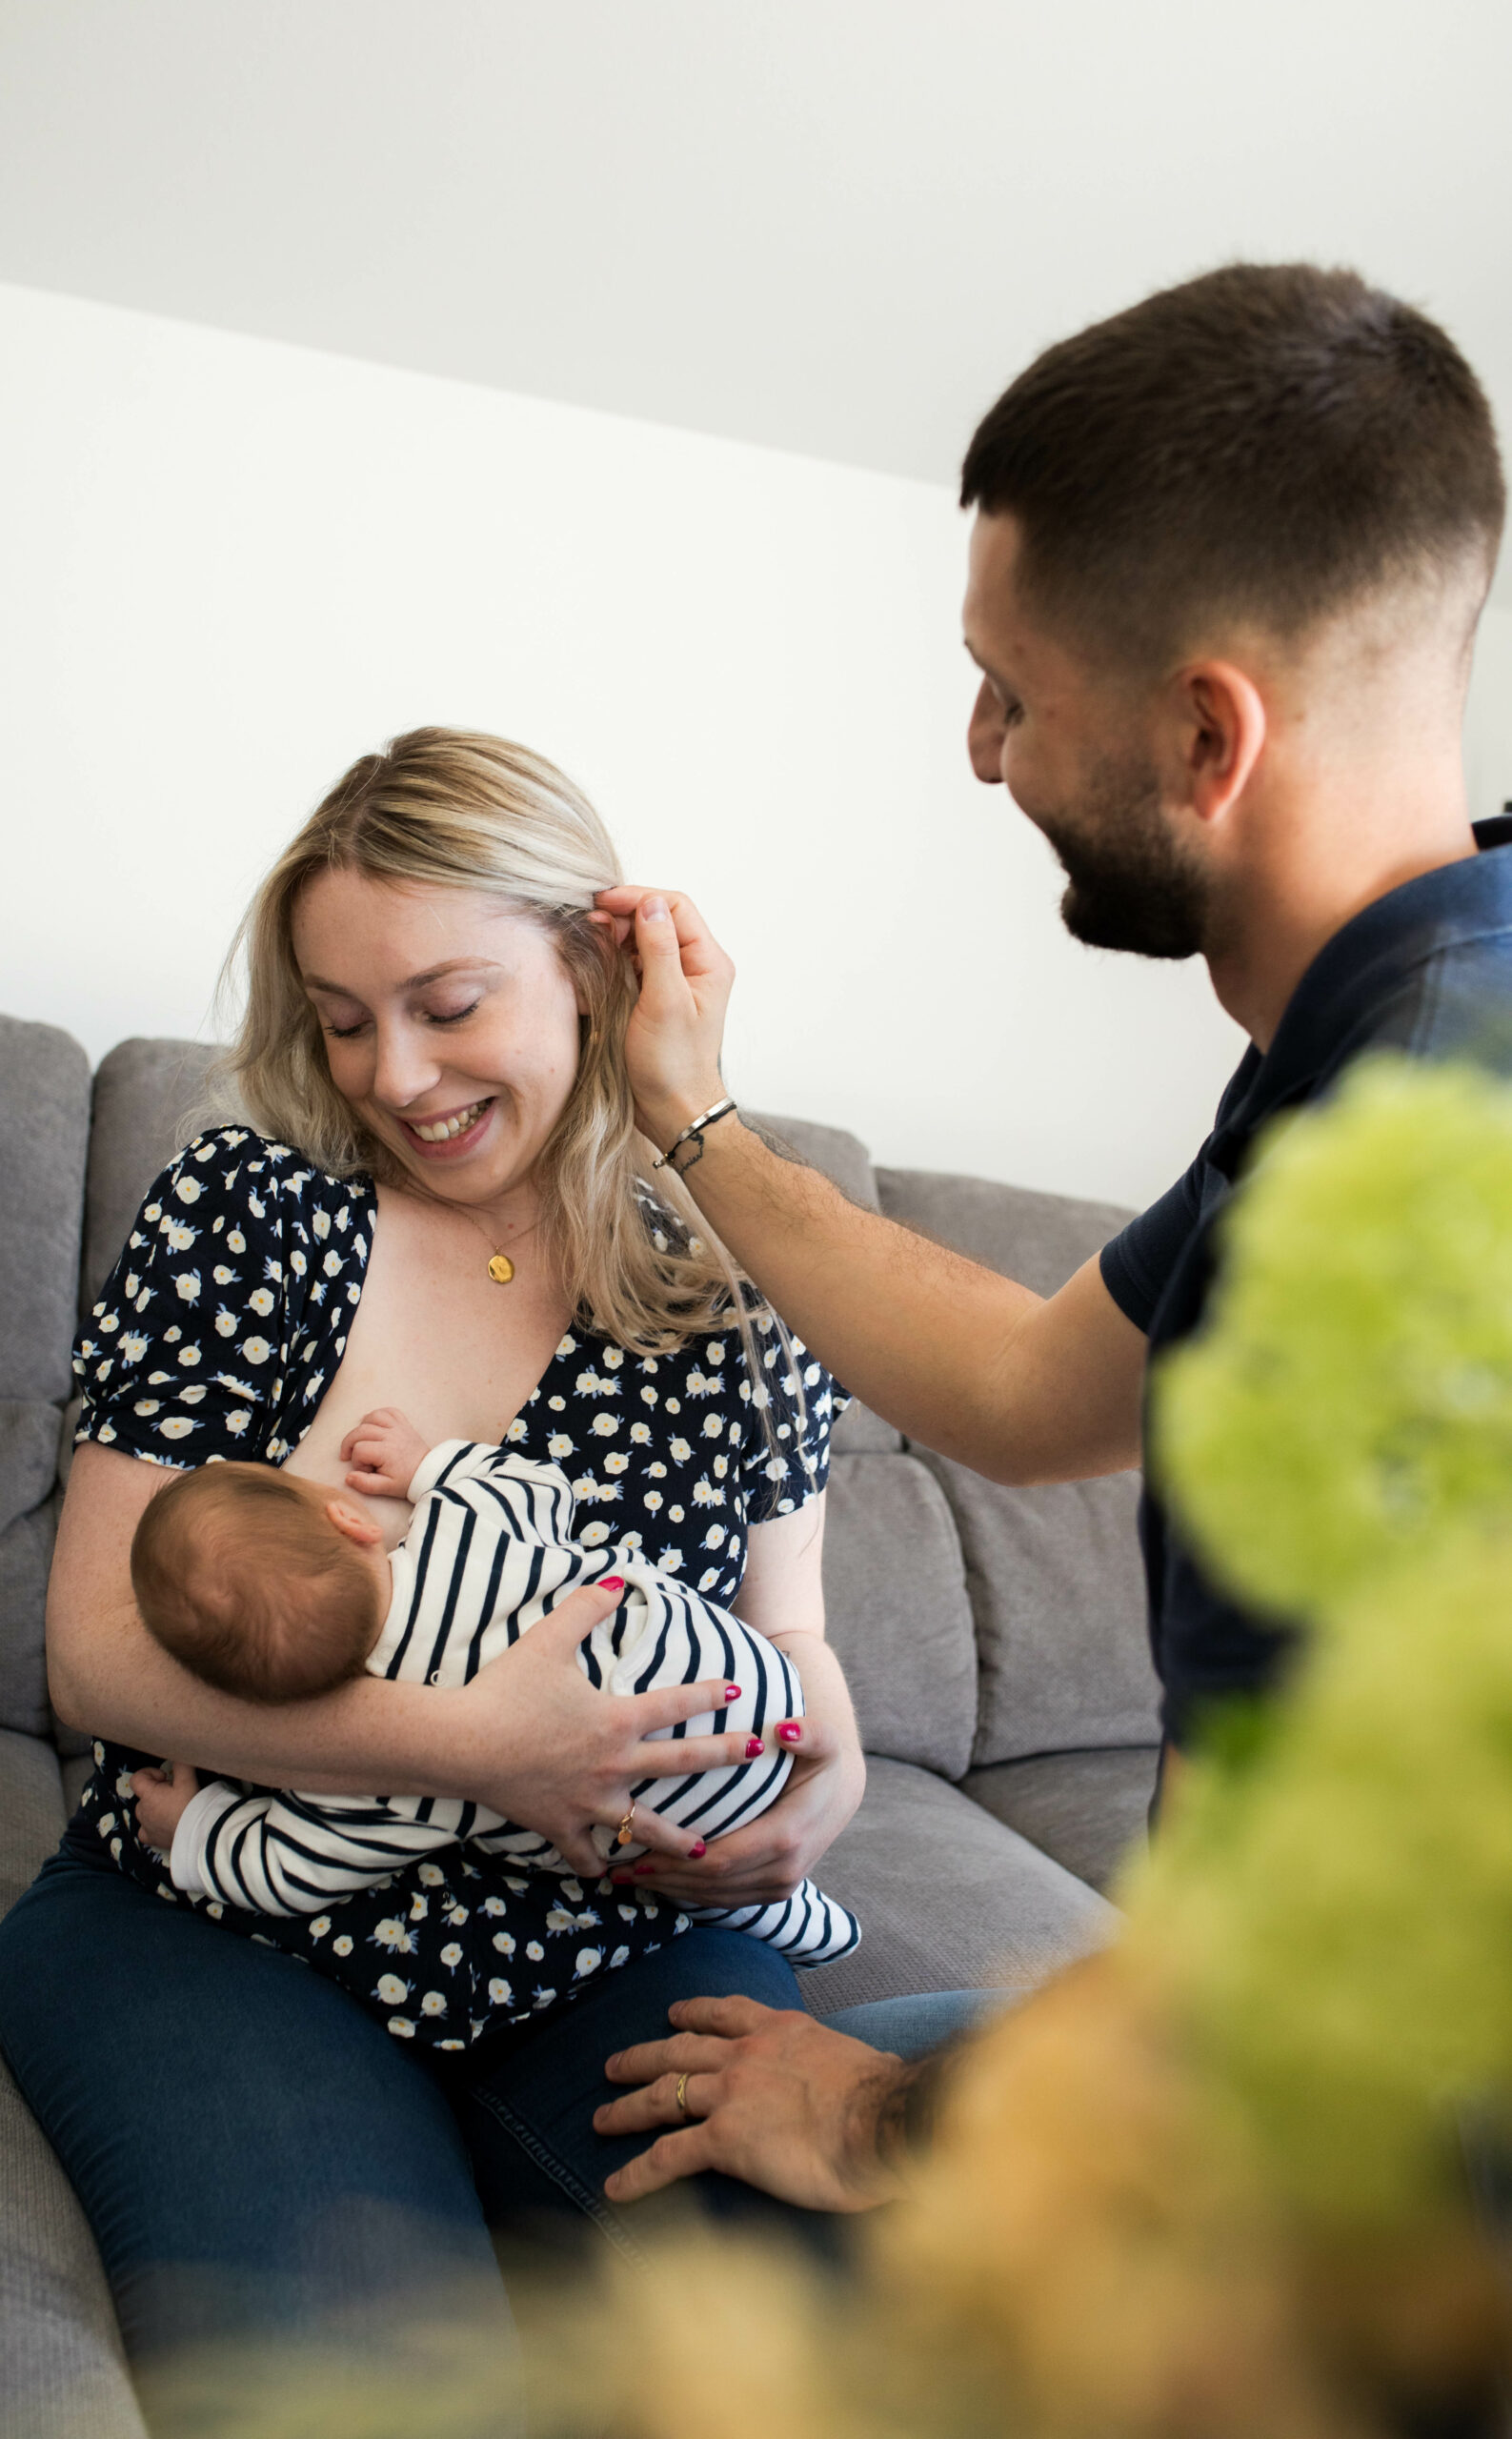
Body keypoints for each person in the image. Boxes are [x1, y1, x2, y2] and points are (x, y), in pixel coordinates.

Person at [589, 261, 1511, 2211]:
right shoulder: (1421, 996)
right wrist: (692, 1109)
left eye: (1013, 690)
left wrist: (864, 2123)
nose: (979, 747)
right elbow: (1022, 1390)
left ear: (1204, 736)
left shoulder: (1391, 1208)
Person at [0, 729, 868, 2409]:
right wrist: (479, 1749)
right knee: (375, 2386)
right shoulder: (250, 1209)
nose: (392, 1073)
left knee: (806, 2349)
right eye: (340, 1018)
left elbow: (798, 1645)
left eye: (447, 1004)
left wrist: (814, 1811)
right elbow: (94, 1657)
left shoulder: (741, 1273)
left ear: (593, 973)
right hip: (230, 1918)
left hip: (609, 1941)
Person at [124, 1416, 859, 2004]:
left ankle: (820, 1930)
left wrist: (193, 1830)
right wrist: (426, 1465)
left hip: (676, 1827)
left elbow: (285, 1871)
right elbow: (538, 1485)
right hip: (752, 1686)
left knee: (697, 1881)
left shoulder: (366, 1775)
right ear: (349, 1520)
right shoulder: (462, 1528)